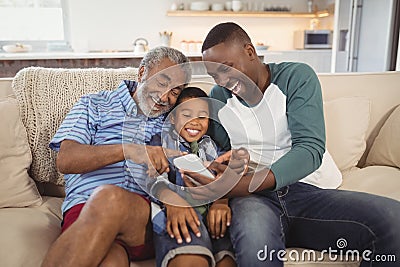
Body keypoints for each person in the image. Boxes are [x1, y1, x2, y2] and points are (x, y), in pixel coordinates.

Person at [182, 22, 400, 266]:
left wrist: (243, 186)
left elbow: (310, 149)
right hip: (255, 201)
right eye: (215, 75)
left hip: (310, 191)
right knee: (257, 249)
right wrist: (222, 192)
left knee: (394, 221)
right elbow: (221, 153)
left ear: (250, 52)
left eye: (228, 68)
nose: (222, 81)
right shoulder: (219, 97)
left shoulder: (296, 77)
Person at [41, 46, 192, 267]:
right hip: (85, 208)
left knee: (109, 198)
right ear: (142, 73)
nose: (165, 97)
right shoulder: (94, 105)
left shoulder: (175, 123)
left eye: (175, 91)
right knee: (112, 261)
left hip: (142, 220)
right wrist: (130, 150)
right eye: (161, 83)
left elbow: (188, 171)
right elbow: (66, 160)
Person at [149, 87, 236, 267]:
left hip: (212, 216)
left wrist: (222, 201)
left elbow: (226, 173)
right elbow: (153, 179)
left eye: (202, 117)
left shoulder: (211, 146)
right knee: (190, 249)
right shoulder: (160, 142)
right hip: (179, 212)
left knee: (227, 258)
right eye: (186, 115)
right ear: (173, 118)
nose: (195, 122)